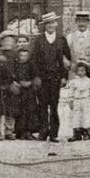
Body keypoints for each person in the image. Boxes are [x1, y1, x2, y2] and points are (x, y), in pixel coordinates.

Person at [29, 12, 70, 142]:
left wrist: (64, 76)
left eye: (53, 23)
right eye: (48, 23)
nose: (51, 25)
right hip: (42, 77)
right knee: (42, 105)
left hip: (55, 77)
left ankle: (53, 133)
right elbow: (33, 60)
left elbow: (67, 59)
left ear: (56, 24)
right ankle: (43, 131)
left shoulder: (61, 39)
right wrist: (36, 76)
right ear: (44, 26)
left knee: (54, 105)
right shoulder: (38, 40)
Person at [65, 61, 90, 141]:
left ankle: (87, 133)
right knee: (76, 117)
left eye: (82, 70)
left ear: (86, 71)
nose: (80, 72)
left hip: (86, 101)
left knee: (87, 117)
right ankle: (76, 133)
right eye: (78, 71)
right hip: (77, 101)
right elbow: (70, 92)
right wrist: (70, 100)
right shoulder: (73, 82)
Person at [12, 46, 39, 140]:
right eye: (21, 55)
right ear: (18, 56)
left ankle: (29, 131)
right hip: (19, 91)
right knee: (20, 111)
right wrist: (17, 82)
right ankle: (20, 132)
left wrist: (30, 82)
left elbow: (35, 76)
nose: (23, 57)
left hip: (29, 91)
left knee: (30, 110)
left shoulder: (31, 65)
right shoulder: (15, 65)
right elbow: (13, 76)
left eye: (25, 55)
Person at [66, 10, 90, 78]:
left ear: (88, 22)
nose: (82, 24)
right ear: (76, 22)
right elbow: (65, 56)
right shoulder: (69, 37)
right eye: (79, 21)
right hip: (74, 74)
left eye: (84, 21)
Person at [0, 30, 19, 140]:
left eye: (10, 40)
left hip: (12, 84)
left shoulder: (15, 54)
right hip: (0, 84)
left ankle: (9, 130)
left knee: (11, 108)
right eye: (5, 40)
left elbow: (18, 69)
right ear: (1, 42)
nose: (8, 42)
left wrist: (15, 81)